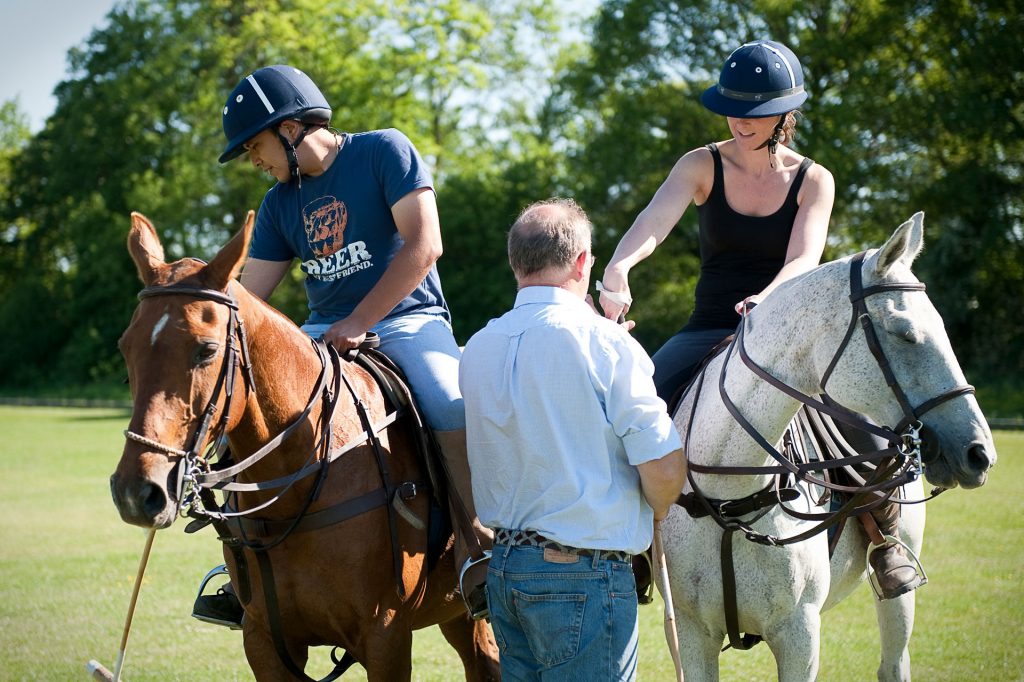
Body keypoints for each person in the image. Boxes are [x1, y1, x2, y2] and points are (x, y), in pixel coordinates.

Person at [597, 40, 921, 600]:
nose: (740, 122)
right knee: (630, 408)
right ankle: (630, 550)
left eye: (755, 112)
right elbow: (654, 221)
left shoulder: (814, 179)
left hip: (787, 337)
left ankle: (884, 537)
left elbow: (804, 258)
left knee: (857, 422)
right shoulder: (700, 164)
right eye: (732, 108)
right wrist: (620, 266)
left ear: (785, 113)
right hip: (705, 329)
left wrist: (768, 298)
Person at [191, 65, 492, 628]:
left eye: (254, 146)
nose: (254, 160)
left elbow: (426, 245)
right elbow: (248, 295)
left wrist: (359, 320)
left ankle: (480, 544)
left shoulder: (383, 152)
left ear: (290, 127)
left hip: (408, 320)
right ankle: (243, 571)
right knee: (246, 411)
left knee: (452, 403)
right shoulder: (280, 204)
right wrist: (194, 302)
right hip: (321, 333)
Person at [460, 198, 686, 680]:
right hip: (582, 575)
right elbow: (664, 468)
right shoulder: (606, 343)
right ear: (583, 262)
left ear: (515, 262)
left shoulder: (478, 347)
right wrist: (658, 507)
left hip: (504, 569)